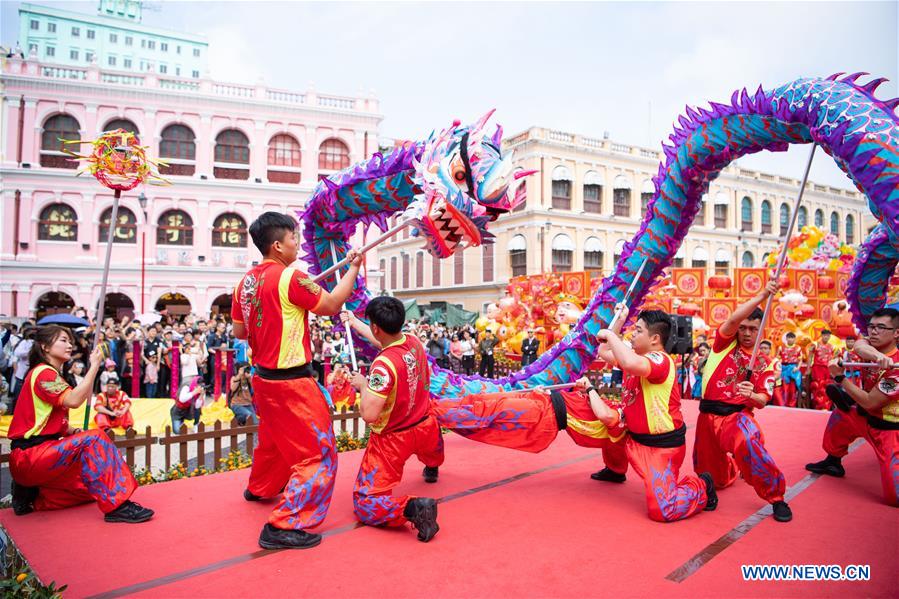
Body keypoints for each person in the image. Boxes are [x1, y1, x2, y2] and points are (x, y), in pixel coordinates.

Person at [232, 211, 362, 550]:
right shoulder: (292, 277)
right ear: (277, 245)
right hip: (292, 383)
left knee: (273, 440)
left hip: (263, 379)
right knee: (318, 453)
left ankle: (259, 487)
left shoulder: (243, 283)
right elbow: (332, 304)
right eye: (294, 238)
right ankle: (285, 522)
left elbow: (240, 331)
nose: (298, 244)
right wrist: (353, 270)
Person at [7, 325, 153, 522]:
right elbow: (74, 400)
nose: (69, 346)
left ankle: (32, 497)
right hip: (31, 455)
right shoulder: (43, 373)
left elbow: (47, 420)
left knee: (86, 489)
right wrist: (94, 365)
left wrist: (72, 431)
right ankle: (117, 506)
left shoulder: (48, 374)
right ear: (45, 347)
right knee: (95, 438)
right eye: (63, 341)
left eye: (70, 341)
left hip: (41, 454)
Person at [595, 308, 715, 522]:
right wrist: (618, 322)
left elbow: (629, 361)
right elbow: (604, 351)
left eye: (638, 330)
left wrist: (612, 335)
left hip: (661, 448)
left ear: (655, 338)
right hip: (633, 438)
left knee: (662, 511)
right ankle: (614, 469)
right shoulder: (637, 359)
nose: (633, 334)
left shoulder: (660, 360)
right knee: (597, 416)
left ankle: (702, 485)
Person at [694, 279, 792, 522]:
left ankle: (776, 497)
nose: (747, 333)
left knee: (748, 443)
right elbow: (734, 318)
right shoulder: (723, 344)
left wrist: (752, 395)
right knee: (712, 477)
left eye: (753, 329)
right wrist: (762, 294)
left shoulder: (766, 362)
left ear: (761, 331)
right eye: (744, 327)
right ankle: (731, 469)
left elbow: (763, 400)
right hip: (706, 417)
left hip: (736, 416)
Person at [348, 297, 443, 542]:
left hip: (393, 439)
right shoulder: (412, 341)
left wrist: (362, 385)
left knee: (366, 502)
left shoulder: (382, 367)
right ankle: (432, 466)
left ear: (377, 327)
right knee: (432, 451)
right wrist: (355, 323)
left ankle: (413, 509)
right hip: (424, 424)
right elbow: (383, 340)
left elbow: (369, 415)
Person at [805, 308, 899, 506]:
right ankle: (833, 461)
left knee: (894, 498)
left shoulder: (896, 369)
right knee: (841, 415)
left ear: (896, 333)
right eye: (871, 327)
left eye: (881, 327)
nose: (873, 332)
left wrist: (840, 379)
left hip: (890, 431)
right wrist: (875, 356)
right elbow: (859, 345)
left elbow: (870, 401)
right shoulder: (871, 347)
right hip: (868, 418)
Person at [807, 329, 835, 410]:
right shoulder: (815, 344)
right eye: (824, 335)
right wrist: (808, 368)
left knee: (827, 387)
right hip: (817, 368)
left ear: (830, 337)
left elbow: (832, 358)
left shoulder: (832, 346)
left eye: (828, 336)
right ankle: (818, 406)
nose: (826, 337)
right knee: (818, 387)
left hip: (827, 369)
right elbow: (810, 356)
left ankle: (826, 406)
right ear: (822, 336)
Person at [777, 332, 803, 408]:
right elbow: (777, 359)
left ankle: (792, 405)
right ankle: (784, 404)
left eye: (792, 338)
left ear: (794, 339)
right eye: (789, 338)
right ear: (786, 339)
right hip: (784, 369)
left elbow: (800, 359)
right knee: (785, 388)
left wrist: (797, 368)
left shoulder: (798, 348)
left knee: (793, 389)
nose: (790, 339)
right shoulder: (781, 347)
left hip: (793, 369)